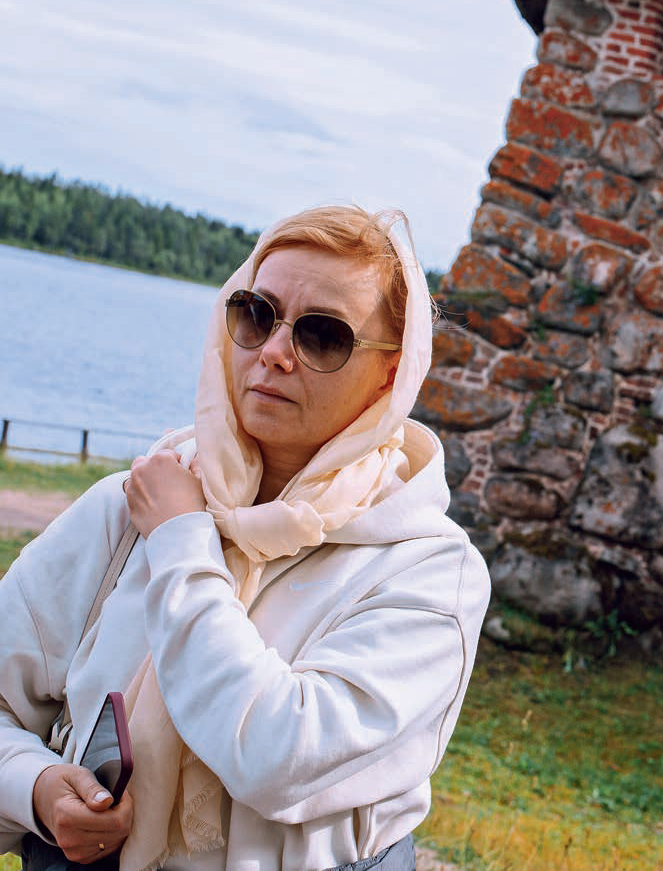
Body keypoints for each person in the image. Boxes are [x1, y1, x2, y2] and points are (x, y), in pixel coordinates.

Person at [0, 205, 490, 870]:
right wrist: (35, 787)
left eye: (323, 336)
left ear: (391, 372)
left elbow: (279, 756)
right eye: (257, 314)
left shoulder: (427, 570)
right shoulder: (131, 503)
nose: (274, 353)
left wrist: (180, 540)